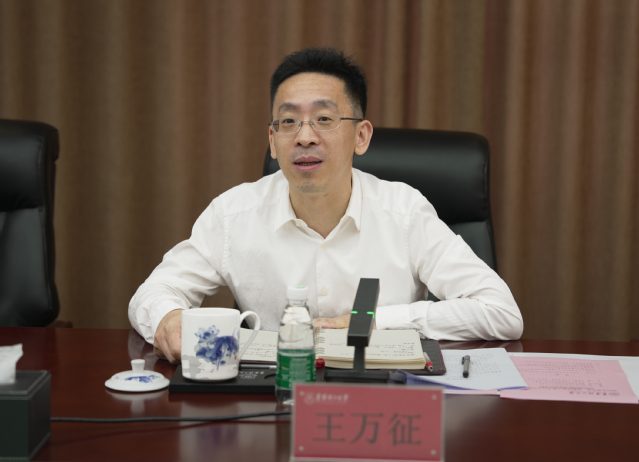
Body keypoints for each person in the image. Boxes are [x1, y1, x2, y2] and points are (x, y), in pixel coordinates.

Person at [129, 48, 523, 364]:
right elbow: (155, 292)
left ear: (361, 136)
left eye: (323, 118)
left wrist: (374, 323)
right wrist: (168, 317)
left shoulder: (405, 212)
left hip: (381, 401)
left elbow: (501, 312)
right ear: (272, 141)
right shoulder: (233, 214)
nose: (304, 137)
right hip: (273, 401)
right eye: (288, 122)